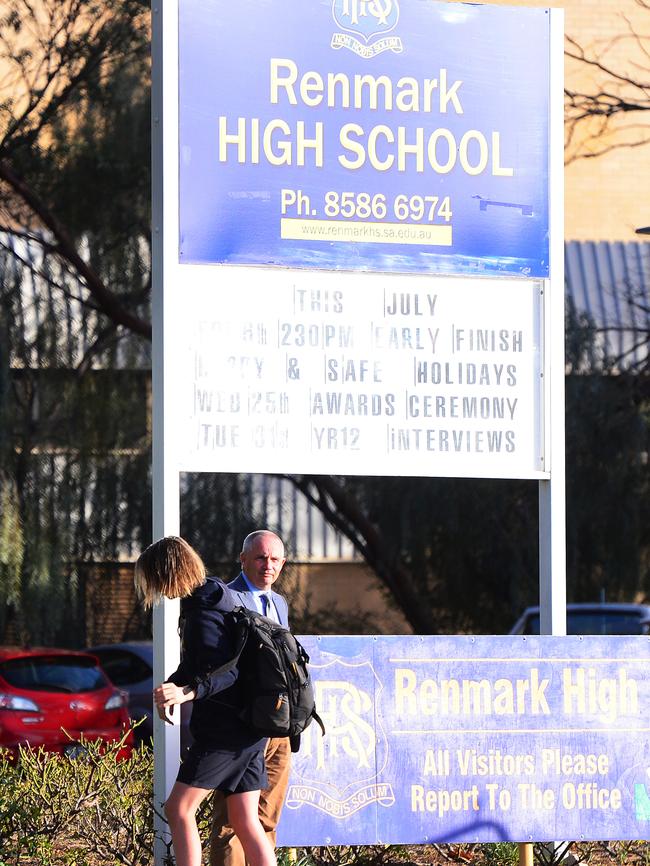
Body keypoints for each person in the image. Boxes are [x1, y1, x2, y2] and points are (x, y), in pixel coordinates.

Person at [134, 536, 276, 866]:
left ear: (167, 573)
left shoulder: (204, 613)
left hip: (224, 734)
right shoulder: (215, 598)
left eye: (154, 580)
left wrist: (185, 693)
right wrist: (174, 685)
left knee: (178, 808)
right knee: (244, 820)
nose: (155, 590)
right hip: (249, 730)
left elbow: (229, 673)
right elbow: (201, 664)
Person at [210, 530, 290, 866]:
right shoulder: (226, 598)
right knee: (231, 823)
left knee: (266, 818)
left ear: (282, 564)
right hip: (243, 726)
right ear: (243, 560)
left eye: (274, 559)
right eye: (260, 558)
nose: (267, 565)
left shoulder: (280, 603)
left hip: (279, 726)